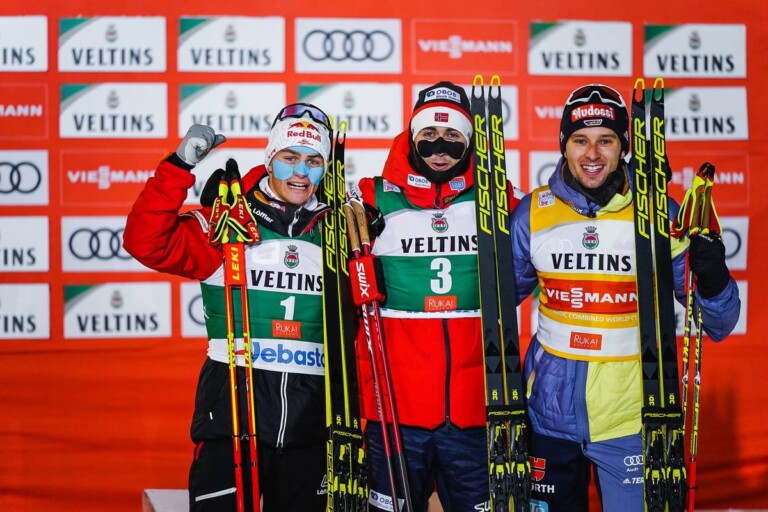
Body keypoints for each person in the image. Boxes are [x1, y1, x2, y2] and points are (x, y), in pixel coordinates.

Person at [509, 84, 741, 511]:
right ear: (564, 145)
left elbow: (719, 324)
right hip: (547, 416)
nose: (592, 153)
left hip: (634, 417)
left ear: (624, 147)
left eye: (606, 140)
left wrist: (712, 277)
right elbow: (495, 302)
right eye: (580, 140)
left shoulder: (660, 214)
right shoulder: (532, 213)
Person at [123, 103, 335, 512]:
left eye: (313, 162)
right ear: (270, 158)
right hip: (233, 414)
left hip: (311, 422)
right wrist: (179, 166)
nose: (301, 173)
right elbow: (144, 241)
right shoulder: (228, 223)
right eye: (290, 158)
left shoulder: (339, 229)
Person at [351, 81, 518, 511]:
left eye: (452, 137)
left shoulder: (499, 200)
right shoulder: (371, 197)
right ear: (411, 137)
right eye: (427, 136)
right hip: (395, 413)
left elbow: (561, 227)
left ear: (470, 141)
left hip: (476, 412)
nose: (438, 147)